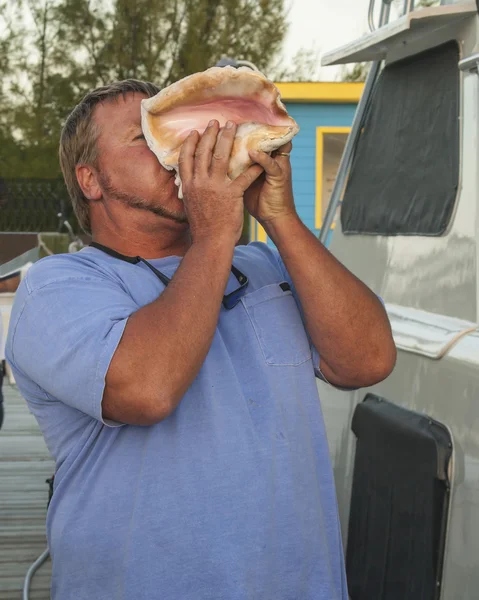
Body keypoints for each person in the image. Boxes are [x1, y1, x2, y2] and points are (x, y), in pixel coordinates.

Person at [6, 79, 396, 600]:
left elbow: (369, 360)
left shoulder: (264, 265)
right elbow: (146, 389)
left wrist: (279, 218)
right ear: (91, 180)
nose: (182, 149)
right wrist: (215, 234)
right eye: (145, 137)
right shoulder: (58, 287)